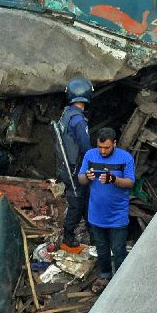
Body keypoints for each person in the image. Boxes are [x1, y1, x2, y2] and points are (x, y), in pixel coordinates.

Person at [77, 127, 135, 292]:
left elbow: (130, 182)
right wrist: (86, 177)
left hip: (118, 215)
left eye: (106, 148)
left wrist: (114, 179)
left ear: (114, 144)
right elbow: (81, 178)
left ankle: (121, 281)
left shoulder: (125, 158)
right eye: (100, 147)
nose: (102, 151)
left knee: (118, 250)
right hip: (96, 214)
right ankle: (105, 276)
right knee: (102, 249)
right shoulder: (90, 155)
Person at [54, 78, 92, 252]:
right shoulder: (78, 120)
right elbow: (85, 147)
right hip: (75, 168)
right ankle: (68, 237)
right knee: (77, 202)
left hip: (66, 166)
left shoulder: (67, 113)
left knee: (83, 200)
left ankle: (93, 233)